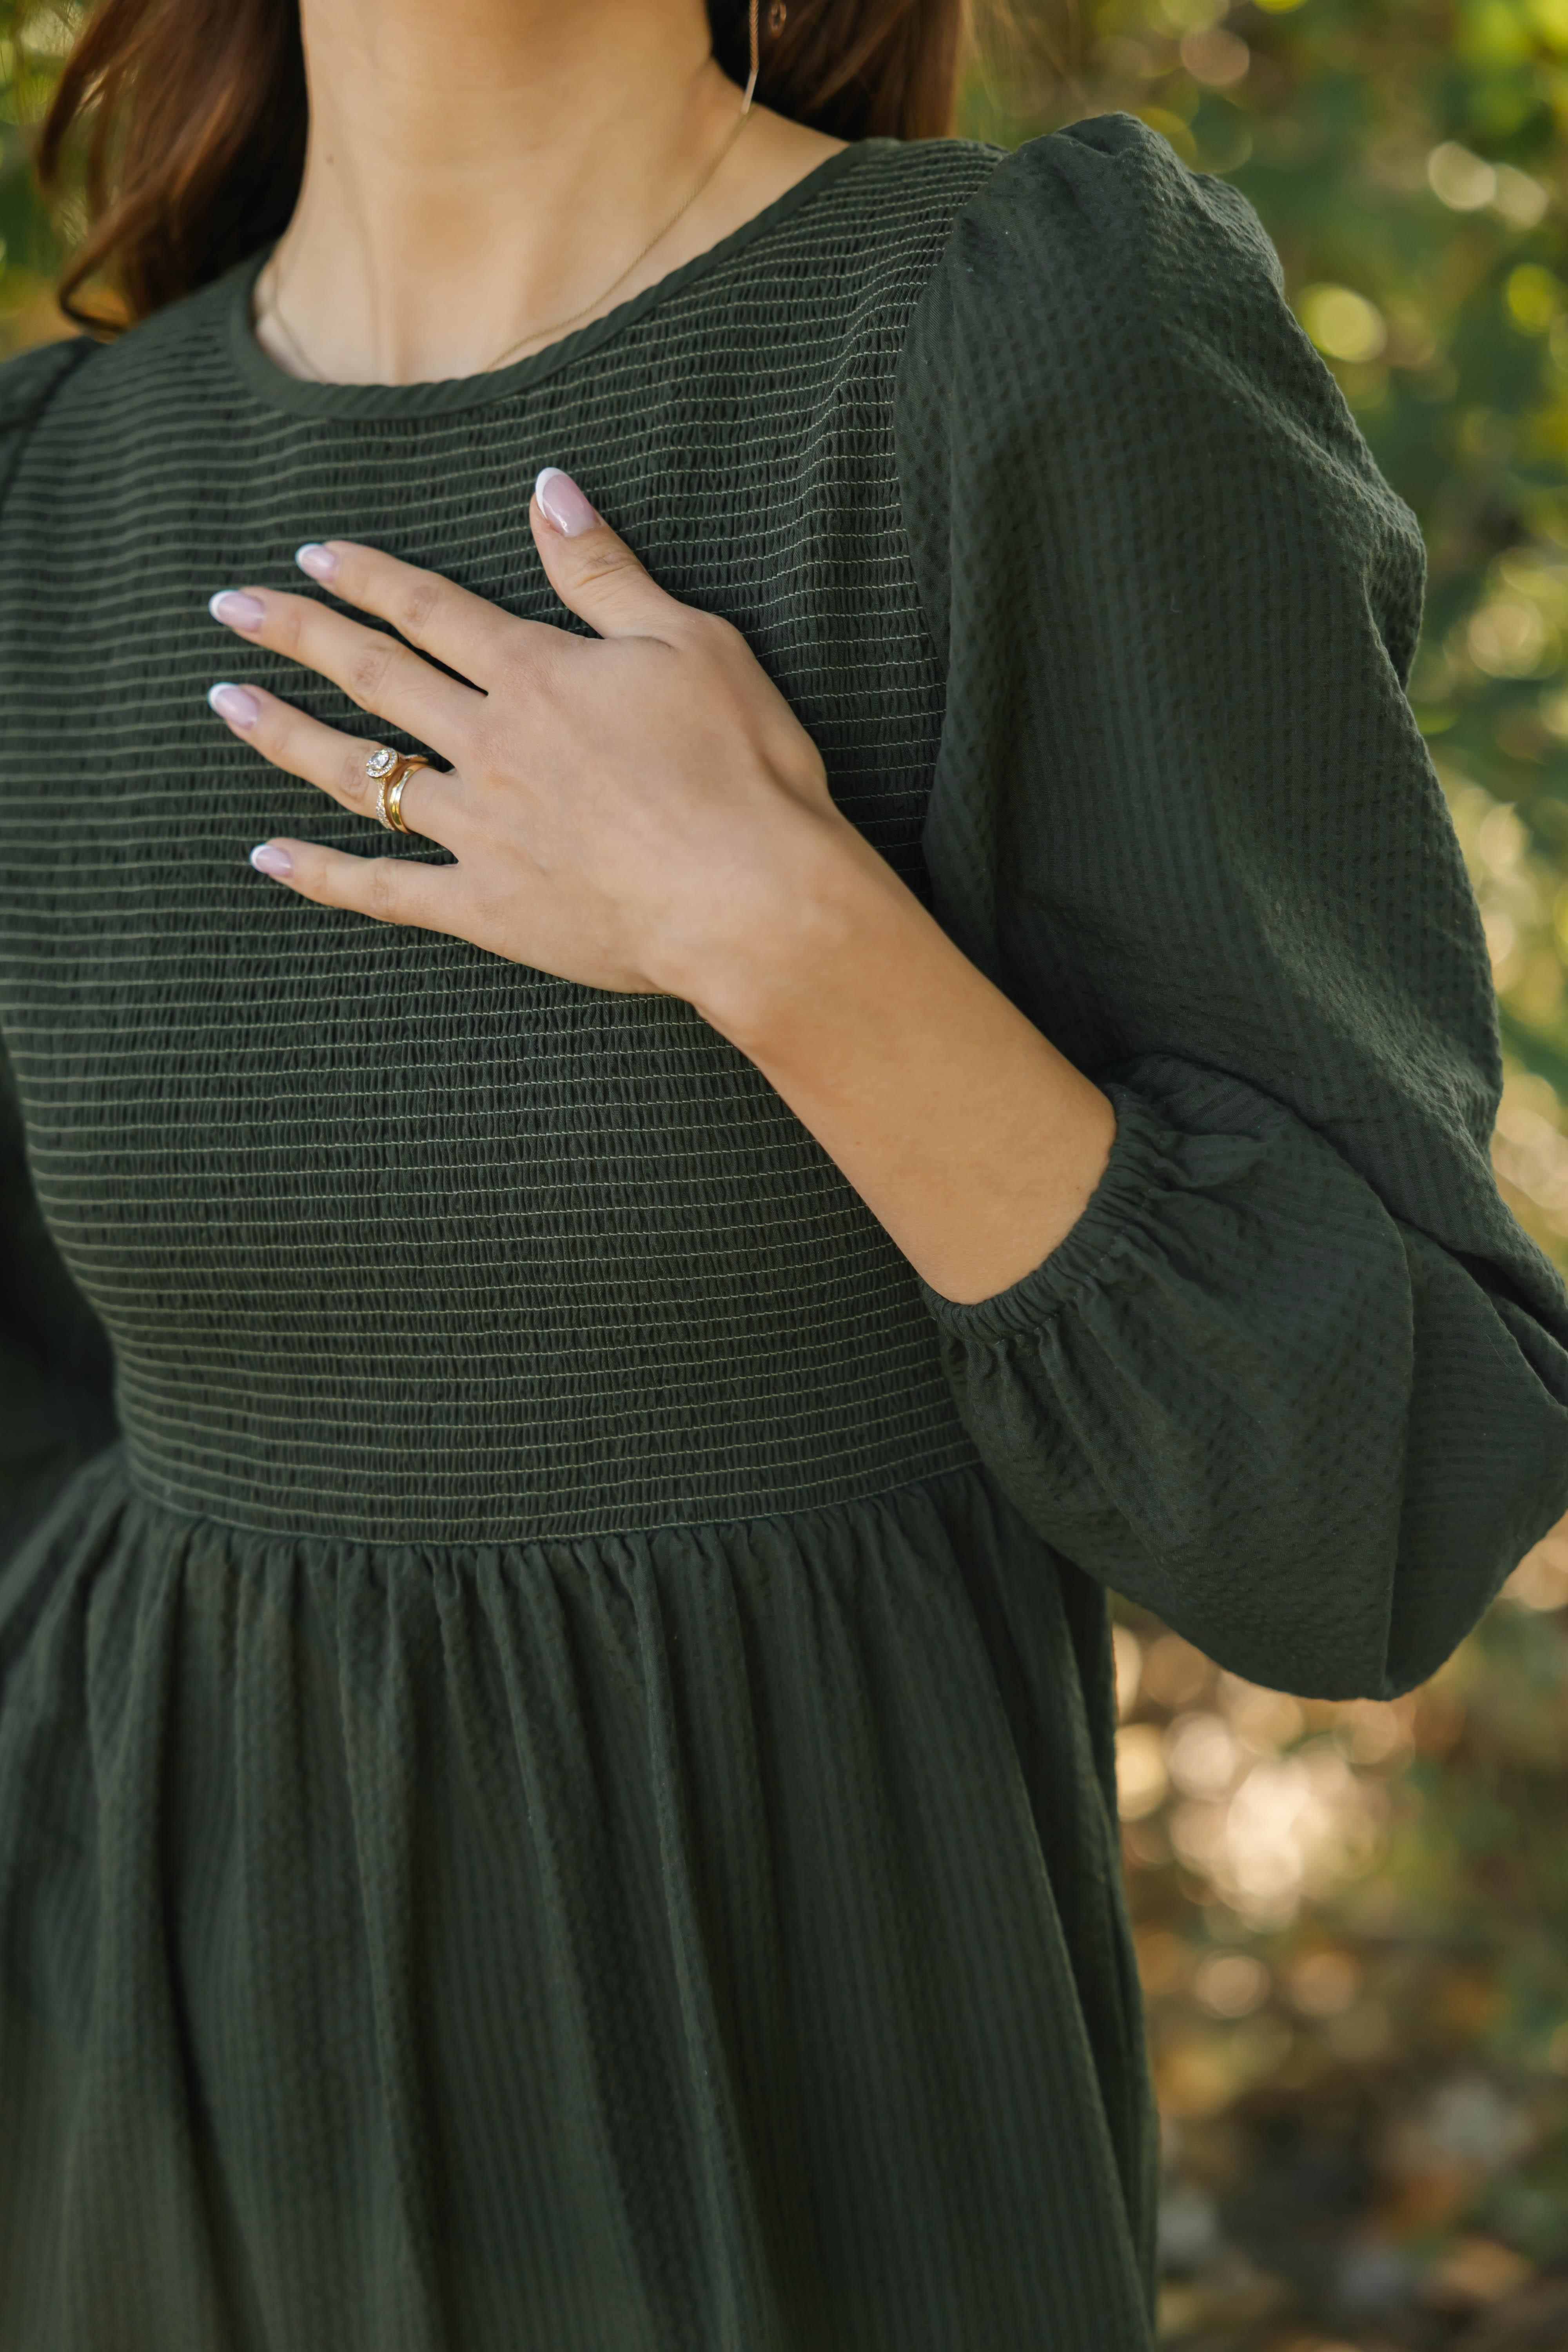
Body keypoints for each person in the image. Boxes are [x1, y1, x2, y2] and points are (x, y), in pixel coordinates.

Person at [0, 0, 1563, 2344]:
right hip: (132, 2139)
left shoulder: (1021, 336)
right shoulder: (52, 492)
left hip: (797, 2150)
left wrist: (778, 927)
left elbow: (1374, 1512)